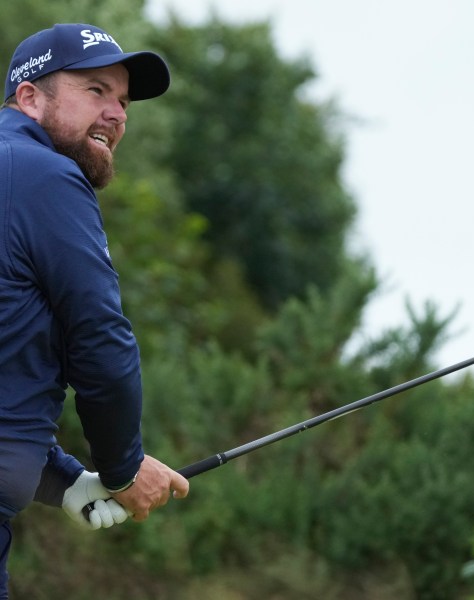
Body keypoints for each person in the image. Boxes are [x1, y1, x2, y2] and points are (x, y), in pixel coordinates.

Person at [0, 23, 189, 596]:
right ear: (30, 96)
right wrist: (122, 468)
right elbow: (99, 337)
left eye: (124, 101)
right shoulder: (42, 175)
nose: (116, 114)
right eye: (95, 91)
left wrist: (65, 481)